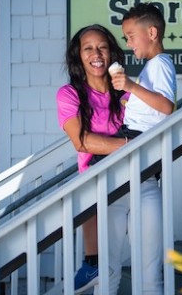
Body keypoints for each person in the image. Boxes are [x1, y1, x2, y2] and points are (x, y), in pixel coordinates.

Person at [102, 2, 177, 295]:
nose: (128, 42)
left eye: (131, 36)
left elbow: (166, 106)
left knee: (122, 263)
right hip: (133, 159)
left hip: (138, 158)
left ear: (153, 32)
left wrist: (131, 88)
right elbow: (153, 107)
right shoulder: (152, 68)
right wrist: (130, 101)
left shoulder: (160, 64)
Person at [56, 24, 127, 293]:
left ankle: (92, 263)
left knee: (127, 266)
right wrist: (129, 144)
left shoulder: (125, 90)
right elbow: (81, 140)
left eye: (102, 47)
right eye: (88, 48)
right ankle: (91, 262)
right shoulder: (70, 94)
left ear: (111, 53)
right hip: (99, 187)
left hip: (135, 181)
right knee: (108, 272)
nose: (96, 54)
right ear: (78, 56)